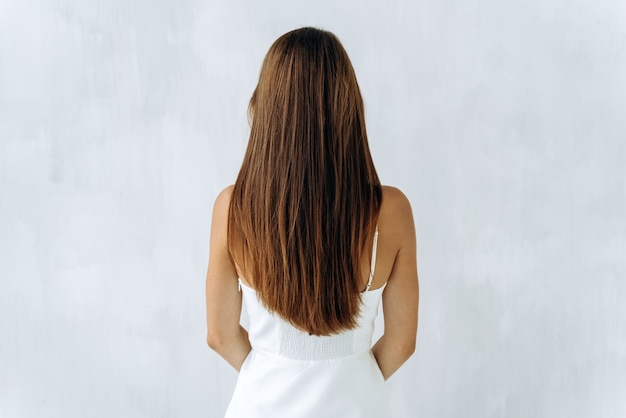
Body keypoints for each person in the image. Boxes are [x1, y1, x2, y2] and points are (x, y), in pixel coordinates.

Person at [205, 27, 419, 418]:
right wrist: (350, 374)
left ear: (266, 108)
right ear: (348, 106)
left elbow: (219, 335)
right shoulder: (392, 211)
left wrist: (274, 366)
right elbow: (402, 342)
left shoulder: (232, 208)